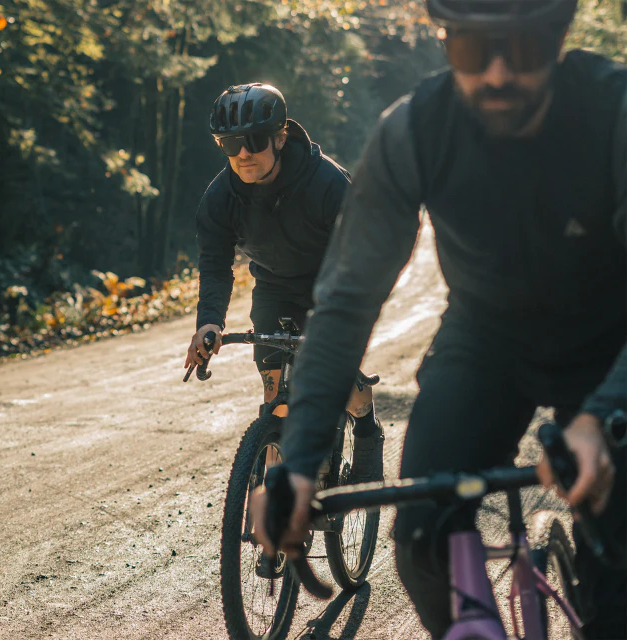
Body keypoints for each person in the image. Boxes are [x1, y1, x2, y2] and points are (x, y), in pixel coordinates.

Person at [251, 2, 627, 638]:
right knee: (422, 538)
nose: (498, 74)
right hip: (487, 341)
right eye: (474, 53)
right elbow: (345, 302)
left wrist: (604, 415)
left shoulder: (614, 113)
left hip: (611, 340)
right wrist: (297, 462)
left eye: (525, 49)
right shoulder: (414, 131)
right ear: (445, 44)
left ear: (560, 39)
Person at [184, 83, 383, 482]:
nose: (243, 153)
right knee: (274, 395)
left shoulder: (327, 184)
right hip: (275, 288)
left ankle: (365, 429)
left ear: (280, 138)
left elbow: (361, 253)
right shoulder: (220, 198)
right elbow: (215, 264)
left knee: (336, 378)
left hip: (332, 287)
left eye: (254, 141)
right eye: (230, 143)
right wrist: (209, 323)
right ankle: (276, 504)